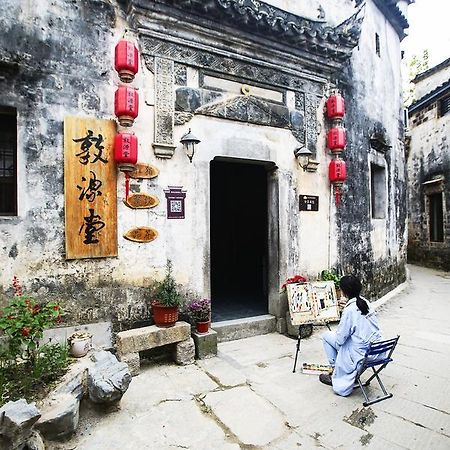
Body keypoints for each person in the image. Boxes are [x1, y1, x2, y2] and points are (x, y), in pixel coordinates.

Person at [319, 274, 382, 396]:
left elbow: (340, 339)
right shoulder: (366, 303)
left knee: (327, 336)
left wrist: (345, 313)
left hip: (360, 354)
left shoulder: (350, 310)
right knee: (344, 338)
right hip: (377, 350)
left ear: (343, 292)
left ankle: (334, 372)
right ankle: (337, 369)